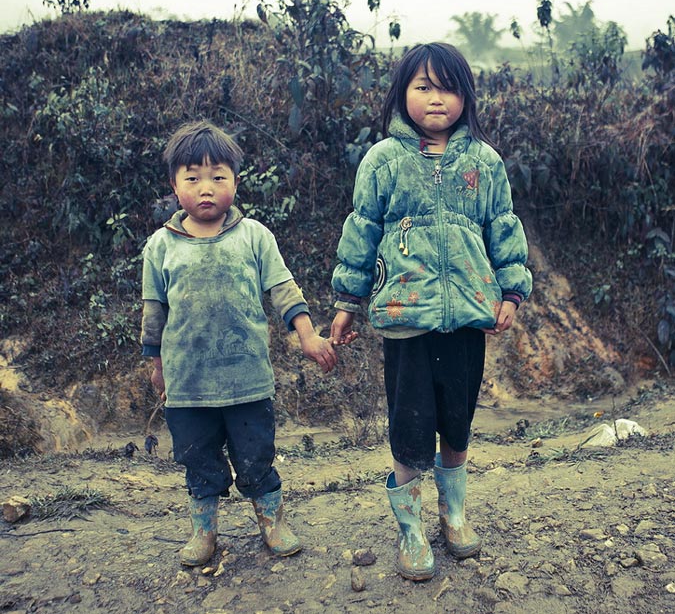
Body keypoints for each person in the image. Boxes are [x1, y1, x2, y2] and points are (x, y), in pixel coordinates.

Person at [330, 43, 532, 581]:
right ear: (402, 95)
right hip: (404, 318)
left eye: (447, 87)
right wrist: (347, 302)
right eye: (423, 86)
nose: (435, 98)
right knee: (410, 427)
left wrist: (510, 292)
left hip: (466, 317)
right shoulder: (383, 161)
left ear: (466, 97)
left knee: (456, 425)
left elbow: (503, 228)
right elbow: (361, 231)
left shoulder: (484, 163)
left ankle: (454, 515)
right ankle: (411, 529)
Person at [141, 120, 338, 566]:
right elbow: (154, 310)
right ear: (175, 185)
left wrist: (307, 335)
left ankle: (272, 523)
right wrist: (155, 364)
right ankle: (204, 532)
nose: (205, 187)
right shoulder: (161, 246)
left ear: (235, 180)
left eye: (218, 176)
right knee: (197, 461)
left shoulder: (254, 236)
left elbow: (284, 289)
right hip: (188, 385)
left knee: (255, 457)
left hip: (247, 380)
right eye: (192, 178)